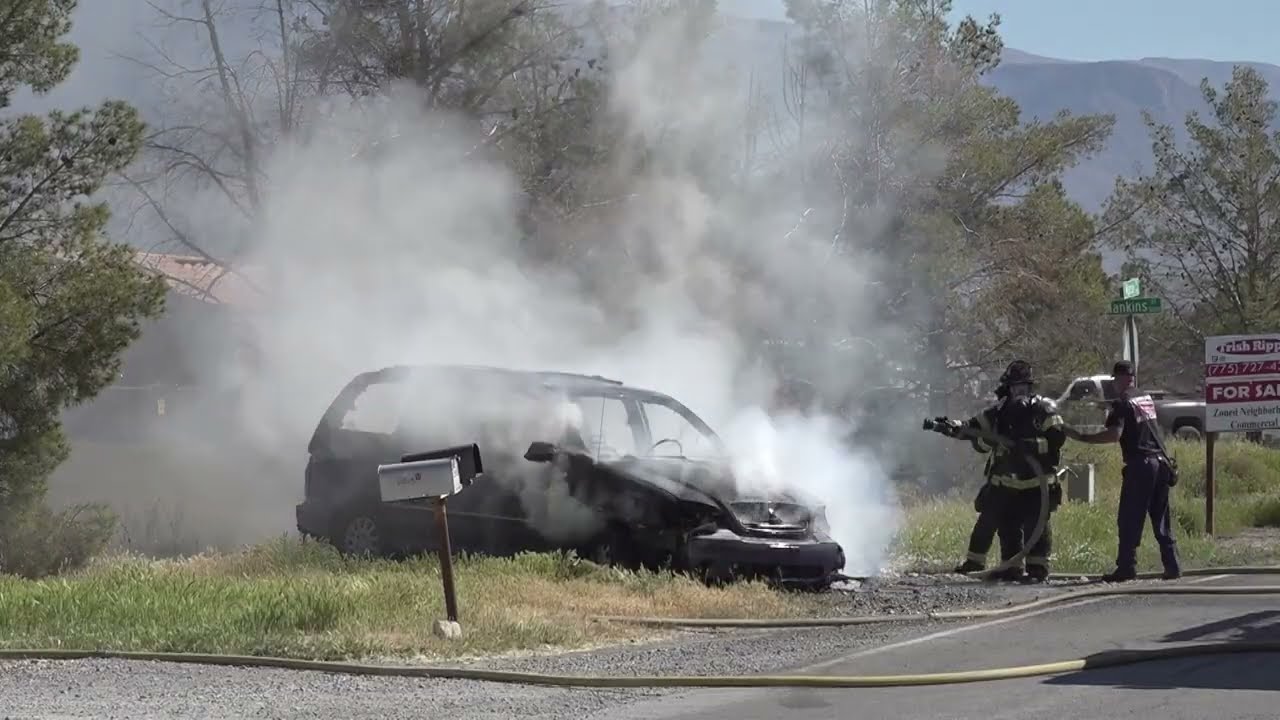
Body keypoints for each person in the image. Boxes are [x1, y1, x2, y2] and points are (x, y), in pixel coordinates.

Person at [948, 361, 1066, 582]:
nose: (1019, 391)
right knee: (998, 523)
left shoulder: (1043, 409)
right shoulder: (999, 411)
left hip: (1036, 484)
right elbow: (973, 427)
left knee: (1036, 527)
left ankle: (1037, 570)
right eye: (1015, 387)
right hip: (1006, 483)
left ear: (1030, 388)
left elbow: (1057, 439)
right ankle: (996, 566)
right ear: (1009, 388)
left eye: (1023, 387)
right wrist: (951, 427)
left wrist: (1031, 445)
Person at [1064, 360, 1181, 582]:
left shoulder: (1122, 403)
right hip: (1161, 464)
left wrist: (1082, 437)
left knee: (1129, 519)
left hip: (1141, 467)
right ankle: (1173, 566)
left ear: (1117, 379)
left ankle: (1126, 568)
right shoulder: (1144, 398)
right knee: (1161, 519)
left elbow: (1114, 435)